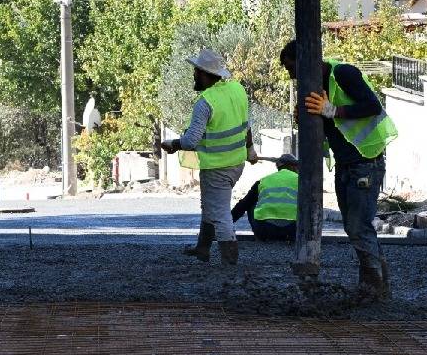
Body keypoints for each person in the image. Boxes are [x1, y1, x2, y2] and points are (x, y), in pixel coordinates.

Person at [279, 41, 398, 298]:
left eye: (290, 68)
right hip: (347, 164)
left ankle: (374, 285)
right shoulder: (316, 87)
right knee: (354, 226)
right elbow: (332, 127)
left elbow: (372, 106)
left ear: (302, 60)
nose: (291, 75)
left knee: (358, 226)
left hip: (365, 160)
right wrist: (313, 120)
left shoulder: (343, 73)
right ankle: (376, 281)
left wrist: (332, 110)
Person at [160, 48, 257, 265]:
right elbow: (246, 125)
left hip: (217, 167)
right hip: (236, 162)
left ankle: (229, 259)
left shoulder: (206, 102)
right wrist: (250, 150)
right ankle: (202, 248)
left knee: (220, 213)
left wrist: (174, 144)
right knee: (210, 206)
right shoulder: (237, 89)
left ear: (204, 73)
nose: (194, 75)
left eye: (196, 71)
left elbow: (191, 141)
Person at [231, 154, 299, 242]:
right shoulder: (301, 180)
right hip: (293, 230)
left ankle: (260, 238)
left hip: (266, 231)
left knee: (251, 203)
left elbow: (242, 205)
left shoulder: (263, 181)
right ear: (293, 167)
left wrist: (226, 223)